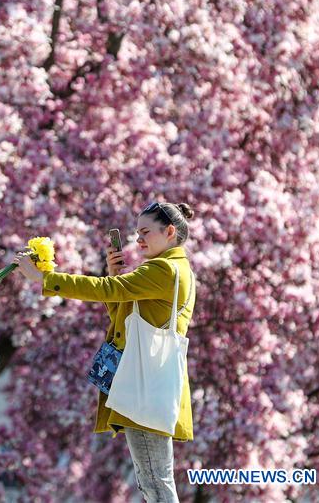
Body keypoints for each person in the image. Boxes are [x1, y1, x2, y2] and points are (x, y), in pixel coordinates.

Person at [12, 201, 197, 503]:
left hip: (145, 387)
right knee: (153, 479)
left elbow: (107, 291)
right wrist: (115, 274)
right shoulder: (173, 268)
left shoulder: (164, 268)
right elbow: (122, 317)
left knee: (154, 481)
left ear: (170, 231)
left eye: (145, 232)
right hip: (147, 385)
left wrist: (45, 279)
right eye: (137, 233)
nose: (138, 241)